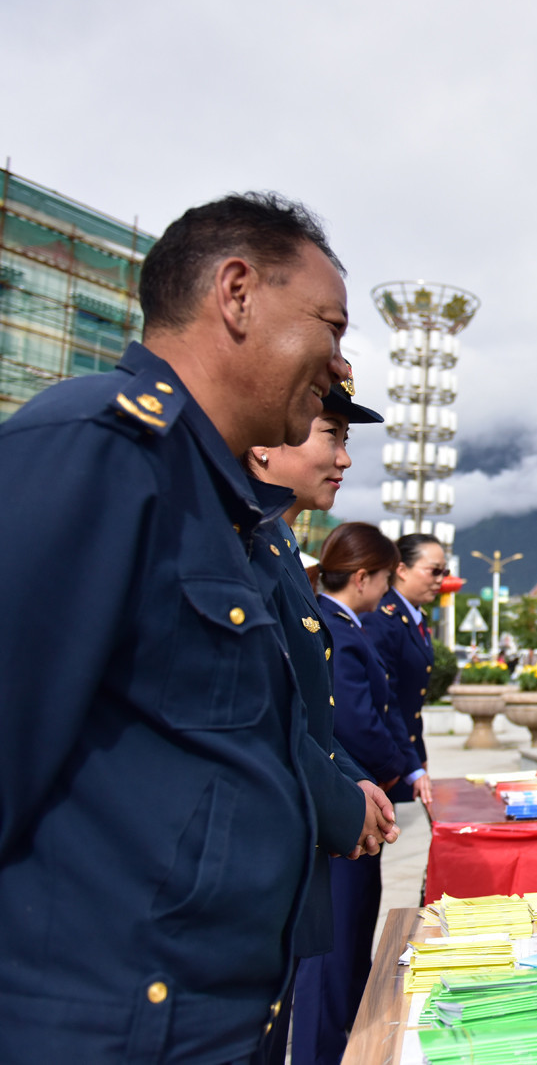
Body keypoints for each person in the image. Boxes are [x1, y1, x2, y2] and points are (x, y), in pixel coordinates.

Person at [0, 192, 350, 1060]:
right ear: (236, 292)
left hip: (212, 1017)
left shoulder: (224, 509)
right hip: (106, 1026)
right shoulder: (96, 450)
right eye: (330, 328)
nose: (340, 367)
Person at [246, 375, 401, 1065]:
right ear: (263, 444)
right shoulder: (238, 534)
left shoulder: (272, 539)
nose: (344, 458)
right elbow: (256, 713)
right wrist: (346, 791)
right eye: (330, 433)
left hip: (284, 858)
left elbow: (304, 713)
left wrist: (349, 780)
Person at [294, 523, 431, 1065]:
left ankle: (345, 1045)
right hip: (342, 803)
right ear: (363, 577)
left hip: (356, 795)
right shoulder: (337, 627)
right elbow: (354, 722)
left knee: (351, 944)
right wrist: (398, 773)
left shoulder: (348, 624)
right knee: (331, 953)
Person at [365, 533, 446, 803]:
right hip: (377, 759)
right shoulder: (382, 618)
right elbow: (387, 699)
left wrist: (418, 756)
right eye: (434, 571)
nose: (440, 579)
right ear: (401, 570)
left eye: (444, 572)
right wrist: (410, 761)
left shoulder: (414, 617)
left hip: (402, 752)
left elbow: (412, 703)